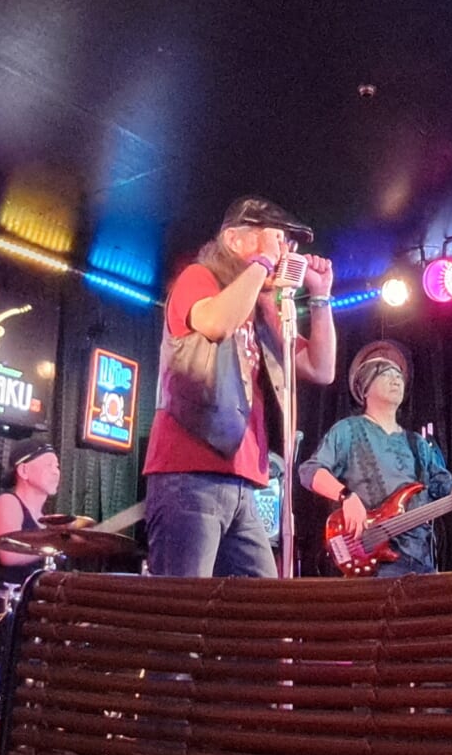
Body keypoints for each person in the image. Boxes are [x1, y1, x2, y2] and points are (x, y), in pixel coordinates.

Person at [141, 196, 337, 577]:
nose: (285, 250)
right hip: (190, 475)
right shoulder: (199, 278)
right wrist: (262, 264)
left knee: (260, 603)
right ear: (234, 239)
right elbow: (216, 323)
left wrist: (320, 295)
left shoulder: (263, 311)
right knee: (184, 602)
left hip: (245, 484)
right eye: (276, 238)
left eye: (287, 243)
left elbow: (321, 368)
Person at [300, 341, 452, 576]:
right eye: (386, 374)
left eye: (399, 376)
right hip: (371, 562)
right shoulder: (348, 430)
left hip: (421, 563)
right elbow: (310, 472)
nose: (396, 380)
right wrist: (346, 496)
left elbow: (447, 489)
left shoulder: (417, 443)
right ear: (365, 388)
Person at [0, 437, 61, 581]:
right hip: (7, 593)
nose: (56, 472)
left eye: (57, 466)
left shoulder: (45, 518)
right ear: (23, 470)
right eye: (48, 465)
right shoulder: (8, 502)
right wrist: (58, 545)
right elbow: (8, 554)